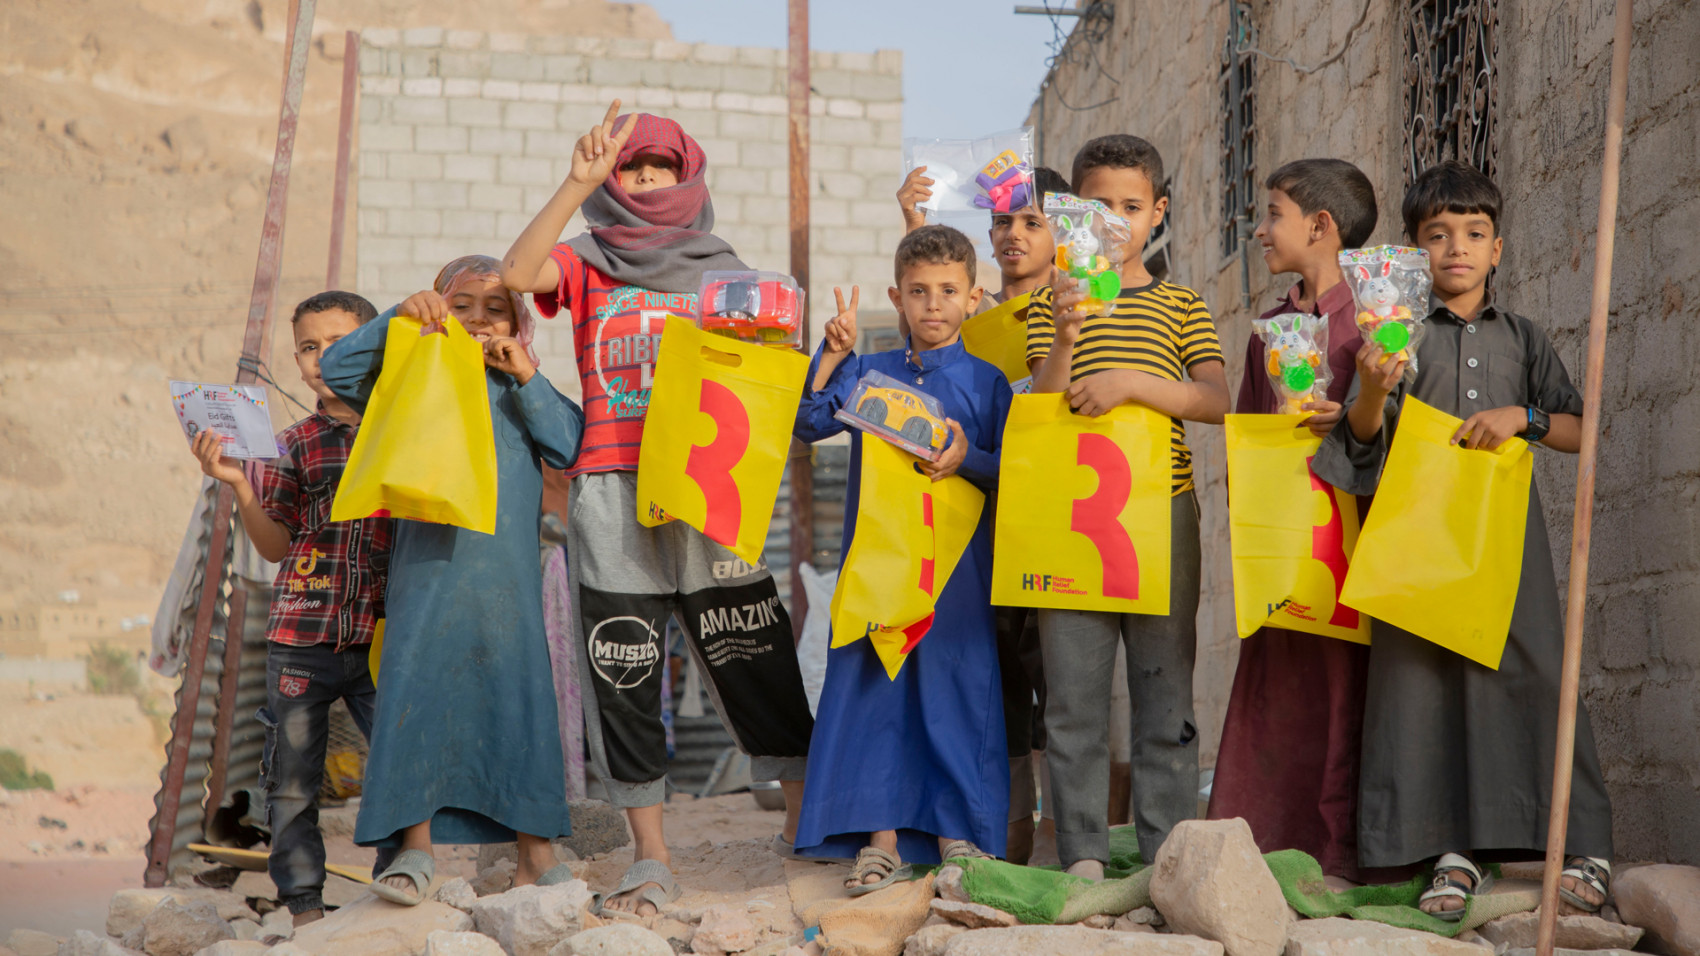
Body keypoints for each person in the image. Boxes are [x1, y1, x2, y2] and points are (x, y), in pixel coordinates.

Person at [500, 101, 814, 915]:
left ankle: (804, 830)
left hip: (708, 491)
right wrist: (577, 184)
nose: (642, 180)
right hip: (609, 485)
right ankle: (651, 854)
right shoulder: (587, 260)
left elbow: (762, 374)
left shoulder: (724, 269)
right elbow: (514, 273)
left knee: (752, 648)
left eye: (657, 168)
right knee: (624, 659)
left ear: (686, 177)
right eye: (631, 167)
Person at [1314, 161, 1614, 918]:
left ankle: (1581, 848)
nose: (1456, 248)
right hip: (1415, 539)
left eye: (1474, 234)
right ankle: (1452, 856)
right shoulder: (1392, 334)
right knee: (1423, 689)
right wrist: (1376, 386)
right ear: (1413, 251)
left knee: (1537, 675)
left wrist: (1525, 418)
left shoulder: (1524, 338)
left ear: (1498, 249)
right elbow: (1358, 440)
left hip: (1508, 540)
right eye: (1437, 235)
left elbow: (1581, 429)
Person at [319, 255, 586, 904]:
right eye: (459, 304)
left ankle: (536, 855)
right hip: (428, 574)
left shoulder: (518, 382)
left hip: (509, 585)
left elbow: (570, 445)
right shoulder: (411, 375)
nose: (476, 319)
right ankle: (414, 853)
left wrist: (525, 376)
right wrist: (398, 319)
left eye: (496, 309)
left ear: (519, 324)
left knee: (519, 699)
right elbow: (337, 371)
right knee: (418, 694)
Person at [1026, 135, 1230, 879]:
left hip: (1162, 516)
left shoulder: (1180, 304)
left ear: (1158, 213)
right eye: (1098, 206)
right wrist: (1068, 334)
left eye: (1131, 206)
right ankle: (1080, 851)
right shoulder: (1055, 304)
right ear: (1072, 215)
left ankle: (1166, 852)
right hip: (1070, 521)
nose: (1115, 220)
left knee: (1163, 691)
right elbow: (1040, 403)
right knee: (1074, 697)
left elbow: (1215, 400)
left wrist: (1133, 386)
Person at [792, 225, 1013, 889]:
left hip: (955, 575)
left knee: (953, 691)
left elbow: (1013, 470)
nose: (933, 304)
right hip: (880, 567)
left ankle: (957, 838)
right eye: (918, 292)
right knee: (876, 694)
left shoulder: (987, 382)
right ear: (897, 296)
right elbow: (808, 422)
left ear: (974, 297)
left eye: (948, 290)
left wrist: (965, 457)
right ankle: (879, 841)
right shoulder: (870, 372)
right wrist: (832, 356)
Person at [188, 291, 393, 928]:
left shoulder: (403, 433)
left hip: (386, 636)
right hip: (302, 634)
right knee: (293, 781)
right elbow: (276, 545)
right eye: (309, 346)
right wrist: (242, 485)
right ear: (297, 361)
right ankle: (303, 905)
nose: (322, 356)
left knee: (395, 764)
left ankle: (396, 886)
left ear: (374, 349)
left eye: (340, 342)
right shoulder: (291, 445)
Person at [1206, 158, 1379, 882]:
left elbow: (1406, 424)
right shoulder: (1270, 328)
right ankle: (1254, 842)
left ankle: (1342, 851)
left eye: (1273, 212)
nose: (1260, 228)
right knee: (1274, 677)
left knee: (1348, 684)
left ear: (1321, 225)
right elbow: (1245, 432)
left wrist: (1353, 414)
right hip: (1283, 534)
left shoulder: (1377, 320)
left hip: (1355, 535)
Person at [901, 163, 1070, 863]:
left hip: (1059, 526)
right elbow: (931, 308)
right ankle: (1005, 848)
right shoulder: (975, 314)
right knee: (998, 695)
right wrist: (916, 224)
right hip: (977, 535)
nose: (1013, 234)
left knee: (1061, 692)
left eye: (1032, 221)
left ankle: (1072, 844)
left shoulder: (1084, 306)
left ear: (1066, 232)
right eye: (1001, 221)